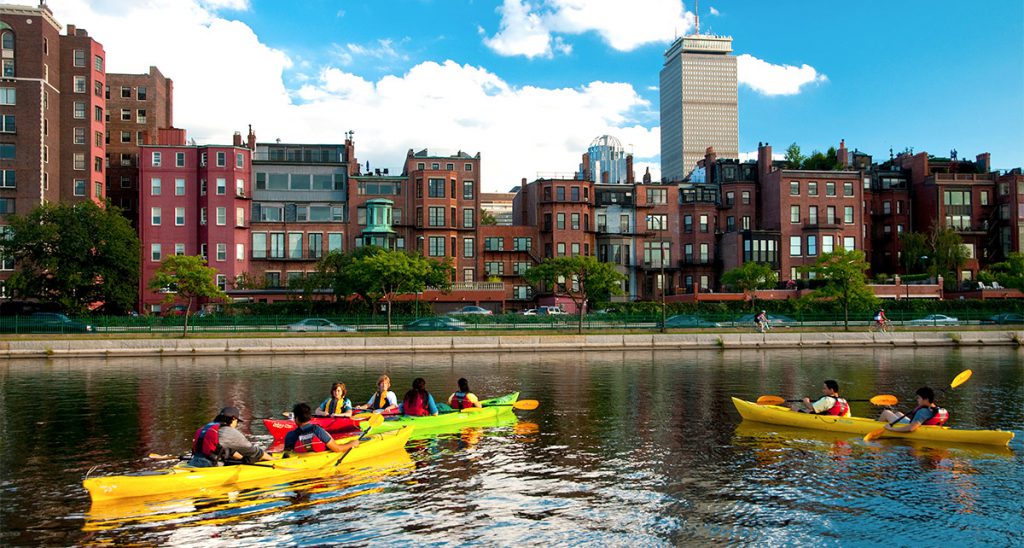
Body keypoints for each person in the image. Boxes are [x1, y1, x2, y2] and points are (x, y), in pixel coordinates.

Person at [188, 406, 273, 467]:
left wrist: (242, 458)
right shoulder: (228, 431)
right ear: (233, 419)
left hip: (193, 462)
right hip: (210, 467)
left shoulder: (207, 427)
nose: (236, 425)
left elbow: (223, 449)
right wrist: (273, 460)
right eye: (237, 422)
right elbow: (253, 451)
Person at [284, 403, 360, 453]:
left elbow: (287, 455)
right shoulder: (317, 430)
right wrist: (352, 444)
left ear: (296, 419)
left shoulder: (290, 435)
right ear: (310, 417)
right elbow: (338, 449)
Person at [878, 387, 949, 432]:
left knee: (886, 412)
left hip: (910, 426)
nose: (917, 400)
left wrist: (892, 429)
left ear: (926, 399)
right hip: (926, 426)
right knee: (898, 414)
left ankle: (875, 427)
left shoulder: (923, 412)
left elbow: (911, 428)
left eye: (918, 398)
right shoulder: (934, 409)